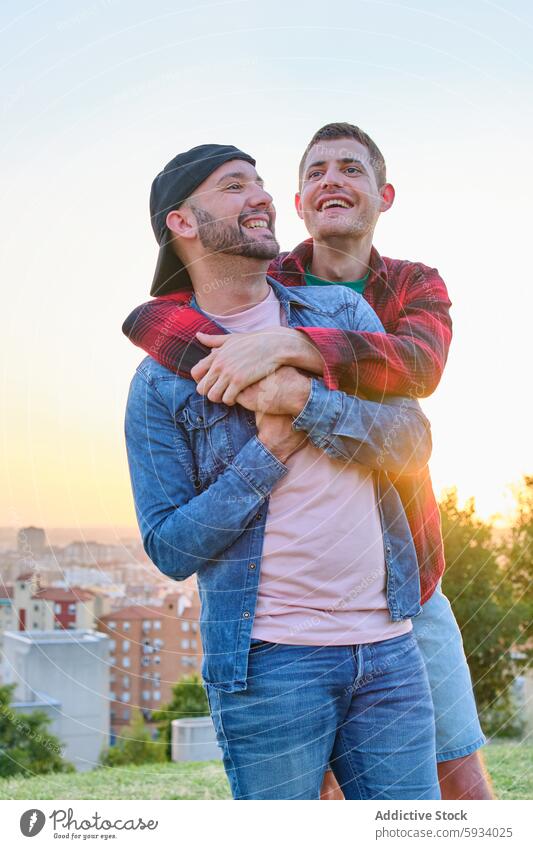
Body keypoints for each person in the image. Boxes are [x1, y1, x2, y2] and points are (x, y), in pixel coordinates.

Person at [123, 126, 492, 800]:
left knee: (455, 779)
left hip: (402, 594)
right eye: (241, 185)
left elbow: (417, 374)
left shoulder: (387, 292)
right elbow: (169, 318)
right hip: (272, 656)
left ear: (382, 195)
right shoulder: (225, 314)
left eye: (350, 168)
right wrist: (265, 444)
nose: (259, 196)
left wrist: (293, 377)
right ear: (300, 203)